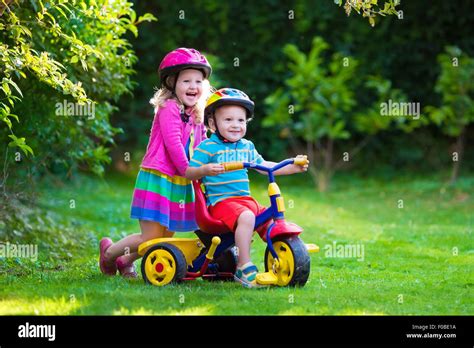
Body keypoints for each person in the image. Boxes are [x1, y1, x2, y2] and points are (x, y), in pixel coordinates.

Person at [99, 48, 214, 278]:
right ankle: (109, 254)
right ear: (172, 82)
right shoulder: (168, 107)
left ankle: (125, 261)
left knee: (164, 237)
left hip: (181, 181)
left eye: (198, 81)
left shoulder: (197, 113)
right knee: (151, 237)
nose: (193, 86)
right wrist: (190, 170)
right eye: (187, 80)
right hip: (159, 177)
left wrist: (206, 169)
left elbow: (201, 146)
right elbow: (173, 144)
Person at [185, 88, 308, 288]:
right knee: (248, 217)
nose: (235, 125)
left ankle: (284, 255)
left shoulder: (246, 146)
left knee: (269, 221)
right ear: (212, 123)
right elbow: (188, 172)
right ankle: (243, 265)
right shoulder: (207, 147)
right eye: (228, 120)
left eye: (240, 121)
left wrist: (292, 167)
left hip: (245, 201)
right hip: (221, 204)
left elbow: (265, 166)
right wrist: (206, 169)